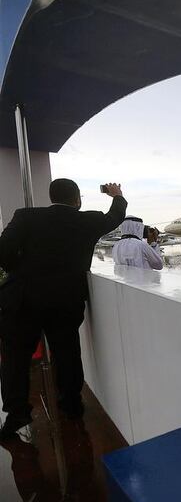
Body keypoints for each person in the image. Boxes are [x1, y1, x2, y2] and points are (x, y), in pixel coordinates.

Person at [0, 179, 126, 438]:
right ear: (77, 199)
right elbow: (116, 216)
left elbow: (3, 251)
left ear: (51, 196)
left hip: (23, 298)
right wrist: (117, 195)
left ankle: (17, 414)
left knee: (15, 357)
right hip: (66, 299)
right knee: (67, 351)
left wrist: (21, 271)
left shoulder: (25, 217)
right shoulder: (87, 220)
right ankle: (71, 405)